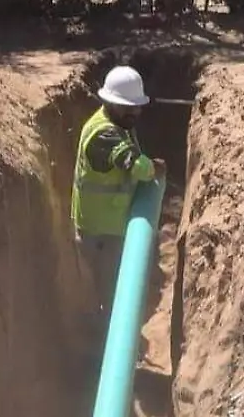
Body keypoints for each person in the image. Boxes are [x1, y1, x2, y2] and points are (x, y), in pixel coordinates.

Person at [71, 65, 166, 339]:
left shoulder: (118, 124)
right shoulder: (104, 133)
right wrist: (154, 169)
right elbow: (135, 165)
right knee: (110, 295)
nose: (134, 113)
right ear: (108, 102)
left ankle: (106, 340)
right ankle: (103, 349)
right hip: (98, 233)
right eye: (127, 108)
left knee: (112, 292)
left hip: (108, 227)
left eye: (137, 107)